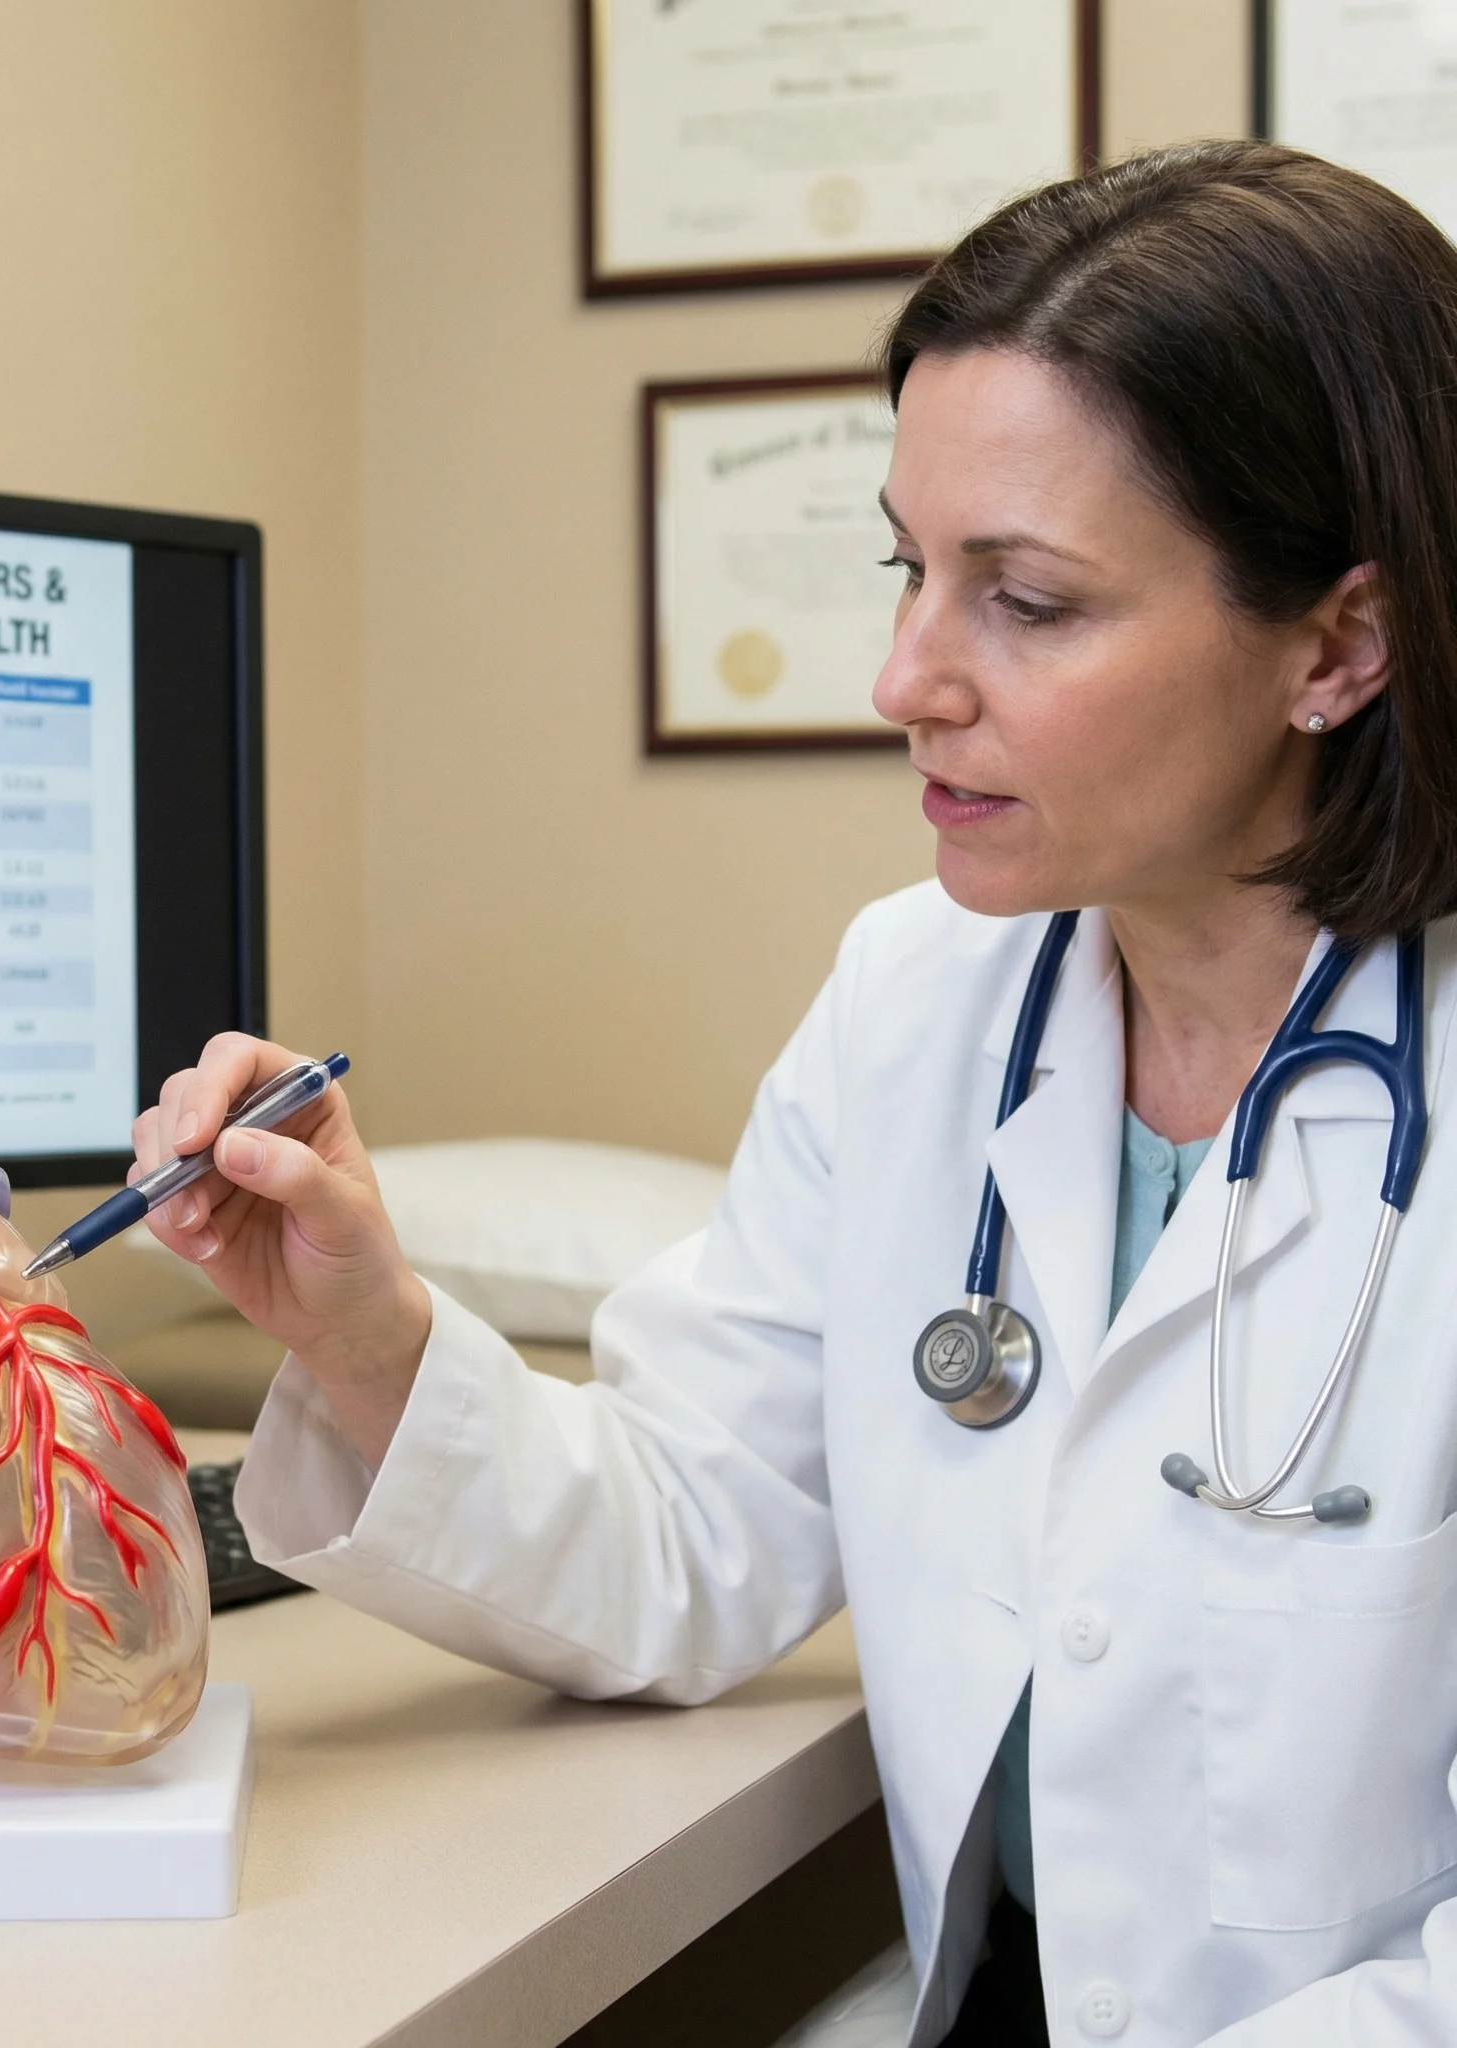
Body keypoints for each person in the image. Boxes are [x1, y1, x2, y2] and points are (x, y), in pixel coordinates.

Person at [132, 142, 1457, 2045]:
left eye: (1029, 601)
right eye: (911, 570)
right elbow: (690, 1534)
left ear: (1338, 643)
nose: (903, 675)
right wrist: (369, 1337)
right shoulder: (918, 999)